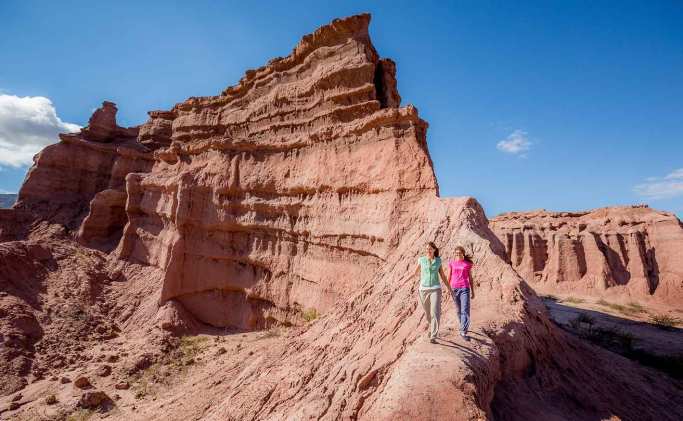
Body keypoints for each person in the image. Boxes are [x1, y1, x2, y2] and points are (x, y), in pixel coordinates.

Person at [414, 242, 449, 343]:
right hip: (423, 289)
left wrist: (449, 288)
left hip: (435, 289)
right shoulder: (421, 260)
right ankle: (431, 326)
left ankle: (433, 335)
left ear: (434, 250)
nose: (428, 250)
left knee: (435, 311)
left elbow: (442, 276)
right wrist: (403, 281)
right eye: (426, 249)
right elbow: (415, 273)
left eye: (430, 249)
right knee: (428, 313)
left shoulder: (438, 261)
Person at [447, 246, 475, 341]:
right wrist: (448, 288)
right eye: (456, 253)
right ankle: (462, 324)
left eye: (459, 252)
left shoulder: (467, 264)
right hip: (454, 289)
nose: (458, 254)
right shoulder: (452, 263)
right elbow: (449, 275)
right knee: (458, 310)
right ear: (455, 254)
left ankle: (463, 331)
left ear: (463, 253)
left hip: (464, 288)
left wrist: (473, 291)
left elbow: (470, 278)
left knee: (465, 310)